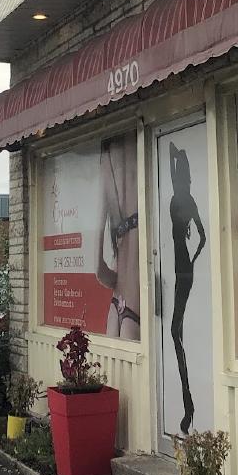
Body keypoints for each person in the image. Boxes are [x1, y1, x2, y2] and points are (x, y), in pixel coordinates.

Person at [168, 142, 206, 434]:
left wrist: (190, 260)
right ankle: (188, 403)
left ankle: (189, 404)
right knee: (177, 332)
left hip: (183, 271)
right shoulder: (184, 199)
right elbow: (202, 237)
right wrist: (191, 258)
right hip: (184, 268)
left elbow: (202, 237)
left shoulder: (177, 199)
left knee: (176, 331)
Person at [95, 136, 141, 339]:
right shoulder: (142, 147)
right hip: (138, 301)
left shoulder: (106, 162)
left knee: (110, 368)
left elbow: (97, 268)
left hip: (116, 304)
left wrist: (118, 277)